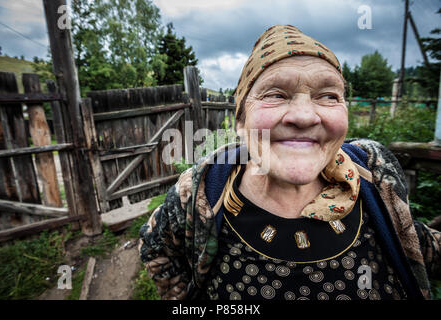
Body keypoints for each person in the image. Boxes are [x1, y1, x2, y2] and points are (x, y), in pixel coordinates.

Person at [139, 25, 440, 300]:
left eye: (328, 96)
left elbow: (414, 238)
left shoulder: (374, 172)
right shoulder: (201, 191)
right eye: (275, 94)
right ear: (240, 121)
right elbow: (155, 246)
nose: (305, 116)